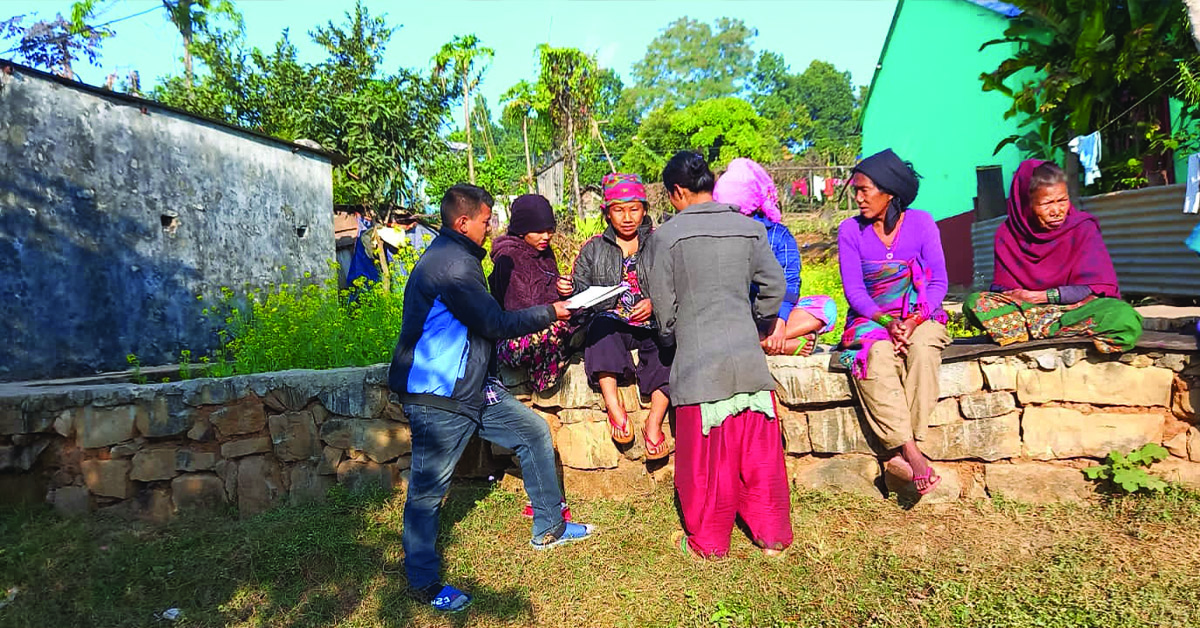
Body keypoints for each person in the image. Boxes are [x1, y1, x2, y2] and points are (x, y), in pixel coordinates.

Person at [388, 184, 595, 613]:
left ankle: (549, 527)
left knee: (533, 431)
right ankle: (424, 584)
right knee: (428, 492)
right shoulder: (452, 267)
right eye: (486, 220)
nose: (491, 227)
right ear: (463, 222)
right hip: (438, 395)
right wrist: (553, 312)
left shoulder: (459, 258)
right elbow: (495, 323)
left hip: (474, 387)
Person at [642, 151, 792, 558]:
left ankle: (709, 543)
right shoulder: (750, 229)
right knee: (760, 460)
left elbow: (664, 309)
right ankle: (772, 537)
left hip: (698, 368)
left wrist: (672, 338)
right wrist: (759, 324)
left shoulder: (665, 237)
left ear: (676, 191)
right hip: (749, 364)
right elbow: (774, 288)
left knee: (706, 469)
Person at [837, 149, 949, 496]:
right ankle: (913, 452)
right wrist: (887, 322)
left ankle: (904, 448)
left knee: (924, 349)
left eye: (864, 190)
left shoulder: (922, 223)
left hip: (921, 314)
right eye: (856, 190)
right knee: (878, 355)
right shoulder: (850, 231)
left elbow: (938, 282)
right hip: (872, 318)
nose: (858, 198)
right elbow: (854, 292)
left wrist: (914, 320)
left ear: (889, 192)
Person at [963, 160, 1143, 351]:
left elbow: (1091, 287)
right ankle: (1057, 329)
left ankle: (1033, 331)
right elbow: (1003, 290)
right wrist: (1021, 300)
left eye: (1062, 200)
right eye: (1047, 203)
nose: (1057, 211)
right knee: (975, 303)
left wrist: (1041, 296)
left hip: (1075, 309)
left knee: (1123, 317)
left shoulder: (1083, 227)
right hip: (1027, 310)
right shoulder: (1007, 234)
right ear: (1026, 204)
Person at [572, 173, 673, 460]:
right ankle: (614, 407)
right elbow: (580, 289)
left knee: (668, 346)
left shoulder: (660, 243)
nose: (627, 217)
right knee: (601, 329)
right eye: (618, 209)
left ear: (644, 210)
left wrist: (655, 303)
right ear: (607, 213)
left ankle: (653, 423)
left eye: (634, 209)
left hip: (650, 322)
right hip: (612, 321)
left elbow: (676, 282)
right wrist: (571, 289)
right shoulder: (593, 248)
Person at [713, 157, 839, 356]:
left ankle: (764, 341)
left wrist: (780, 324)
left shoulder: (779, 236)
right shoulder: (718, 236)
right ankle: (775, 344)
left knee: (826, 308)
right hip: (738, 317)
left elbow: (790, 281)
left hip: (772, 315)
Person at [489, 194, 575, 391]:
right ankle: (543, 379)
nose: (546, 237)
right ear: (521, 230)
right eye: (538, 231)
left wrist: (563, 288)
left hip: (545, 320)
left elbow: (549, 287)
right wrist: (556, 309)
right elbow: (519, 310)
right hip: (513, 336)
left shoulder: (544, 252)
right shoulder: (508, 258)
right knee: (556, 331)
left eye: (549, 230)